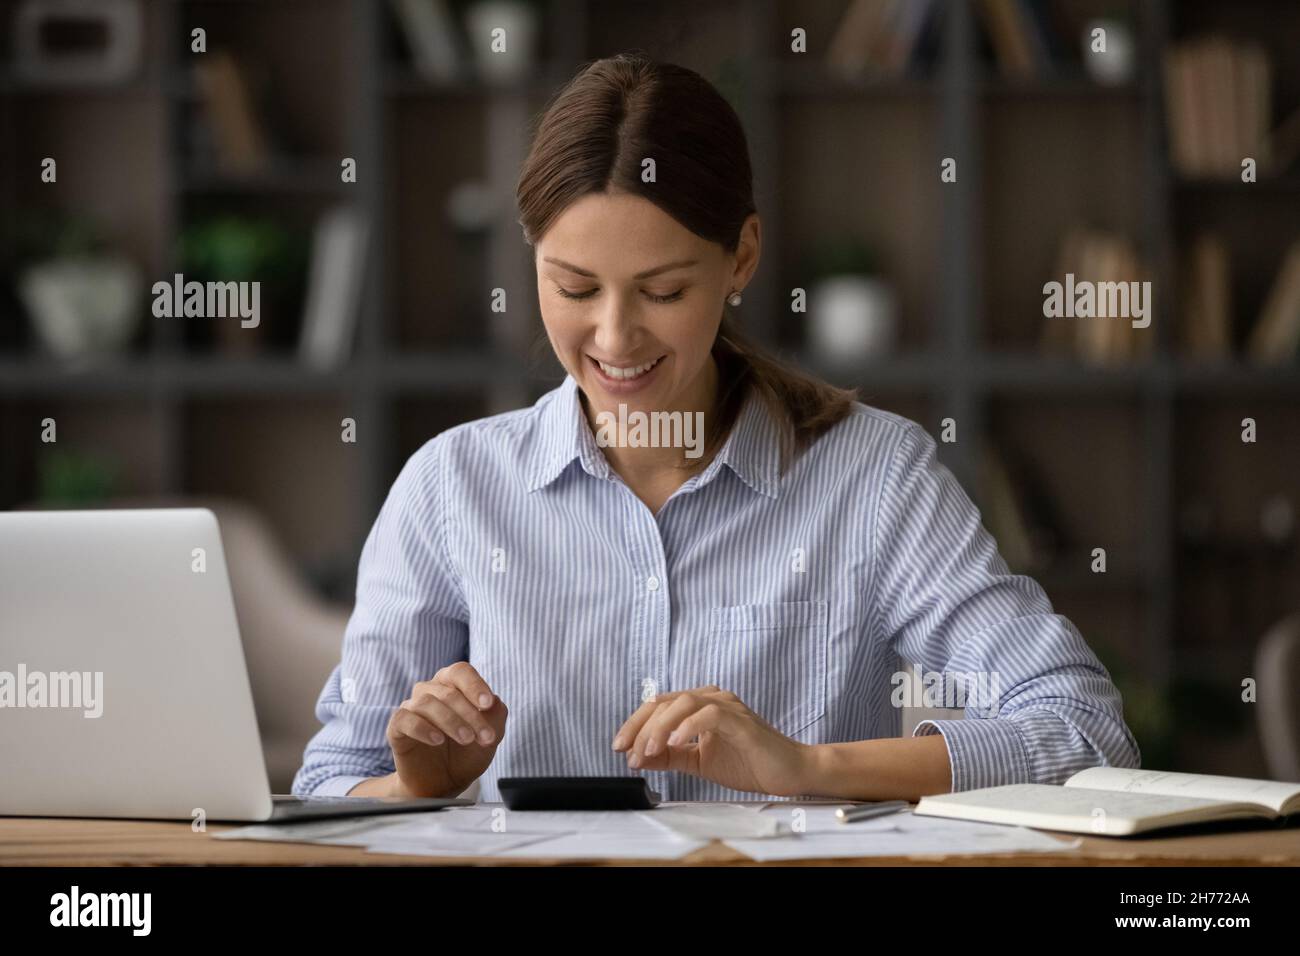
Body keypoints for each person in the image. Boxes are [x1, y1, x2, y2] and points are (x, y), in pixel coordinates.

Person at [293, 53, 1140, 805]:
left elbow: (1083, 727)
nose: (615, 339)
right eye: (575, 288)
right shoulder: (452, 487)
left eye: (662, 291)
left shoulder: (876, 479)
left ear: (741, 257)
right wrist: (414, 785)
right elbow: (328, 783)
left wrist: (807, 767)